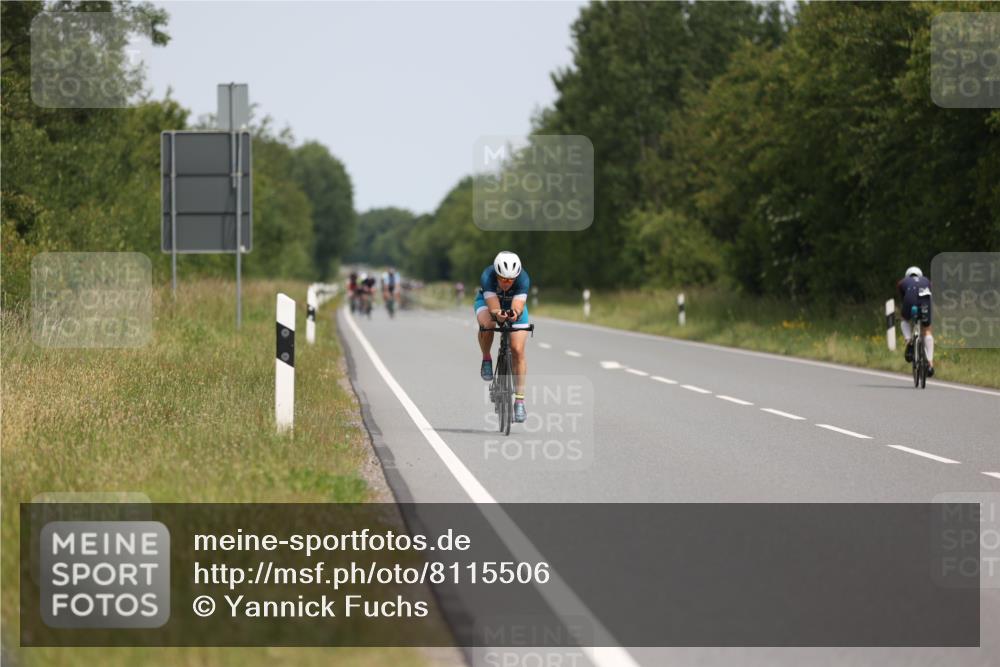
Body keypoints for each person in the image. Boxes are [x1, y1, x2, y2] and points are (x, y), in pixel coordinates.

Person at [475, 251, 531, 423]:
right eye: (503, 279)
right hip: (488, 304)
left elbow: (518, 305)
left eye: (510, 280)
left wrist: (515, 313)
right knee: (488, 325)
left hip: (512, 305)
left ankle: (519, 401)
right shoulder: (488, 276)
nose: (507, 283)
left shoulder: (523, 279)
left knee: (517, 350)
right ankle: (486, 358)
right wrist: (498, 315)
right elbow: (493, 306)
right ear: (497, 275)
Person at [897, 266, 934, 377]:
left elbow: (903, 299)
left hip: (910, 300)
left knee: (904, 320)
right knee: (927, 330)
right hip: (925, 301)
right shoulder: (927, 280)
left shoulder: (902, 282)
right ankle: (930, 364)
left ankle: (909, 341)